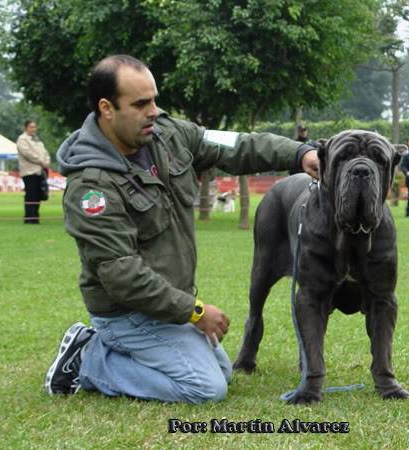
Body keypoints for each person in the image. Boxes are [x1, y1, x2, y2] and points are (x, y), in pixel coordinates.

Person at [45, 55, 319, 404]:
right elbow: (122, 276)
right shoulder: (92, 188)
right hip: (127, 314)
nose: (153, 111)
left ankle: (117, 355)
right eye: (141, 103)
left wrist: (300, 154)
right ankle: (89, 359)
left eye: (154, 99)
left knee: (220, 372)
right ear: (106, 108)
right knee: (205, 388)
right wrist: (195, 312)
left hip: (167, 305)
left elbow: (236, 144)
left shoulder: (168, 135)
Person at [16, 120, 51, 224]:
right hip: (29, 172)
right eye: (31, 127)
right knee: (31, 195)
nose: (33, 129)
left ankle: (35, 217)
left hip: (40, 171)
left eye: (35, 127)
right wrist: (41, 161)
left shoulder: (38, 141)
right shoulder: (22, 139)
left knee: (38, 195)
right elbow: (28, 154)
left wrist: (46, 162)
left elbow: (46, 153)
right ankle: (29, 218)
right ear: (26, 128)